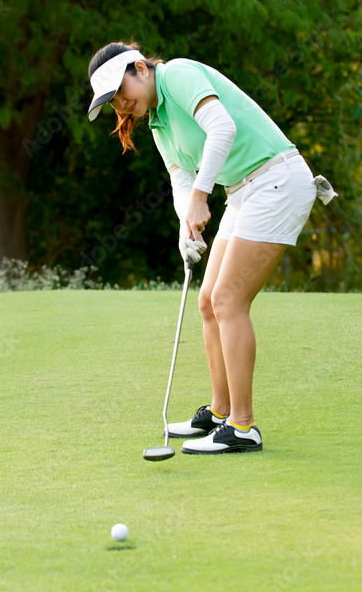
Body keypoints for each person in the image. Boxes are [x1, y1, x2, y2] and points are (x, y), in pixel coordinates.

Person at [86, 42, 336, 454]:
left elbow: (223, 129)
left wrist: (202, 197)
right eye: (113, 101)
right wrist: (187, 226)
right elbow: (180, 181)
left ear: (140, 69)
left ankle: (243, 426)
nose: (121, 104)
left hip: (277, 179)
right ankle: (221, 413)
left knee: (228, 300)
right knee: (208, 302)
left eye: (121, 91)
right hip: (244, 191)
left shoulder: (178, 75)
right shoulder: (157, 122)